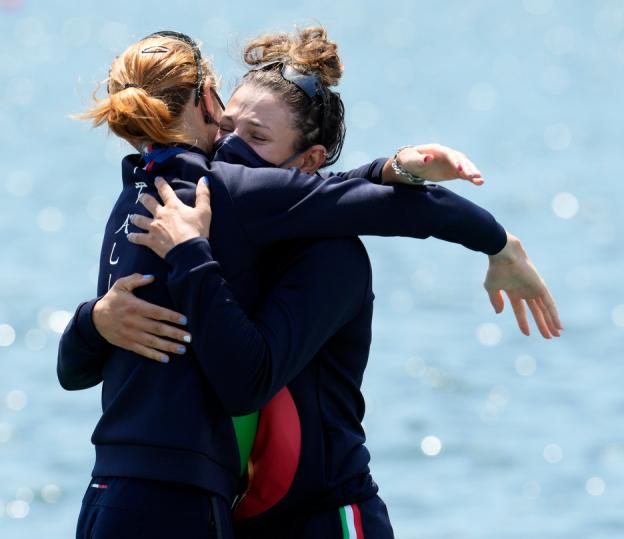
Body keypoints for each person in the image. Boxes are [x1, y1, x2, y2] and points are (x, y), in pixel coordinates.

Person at [58, 29, 559, 539]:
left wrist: (494, 240)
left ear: (308, 163)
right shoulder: (195, 207)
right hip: (194, 507)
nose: (231, 144)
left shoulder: (300, 246)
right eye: (231, 128)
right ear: (210, 102)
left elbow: (366, 205)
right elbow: (73, 368)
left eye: (254, 138)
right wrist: (95, 321)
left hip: (322, 519)